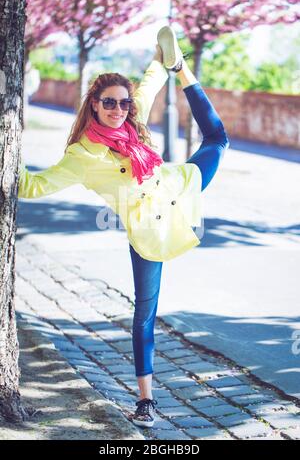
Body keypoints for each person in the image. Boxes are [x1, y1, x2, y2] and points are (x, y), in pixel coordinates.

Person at [18, 26, 229, 428]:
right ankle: (146, 399)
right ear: (93, 104)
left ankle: (183, 66)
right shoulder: (83, 155)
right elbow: (32, 185)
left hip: (178, 186)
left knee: (217, 137)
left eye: (123, 103)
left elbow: (149, 84)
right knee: (144, 313)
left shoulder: (134, 124)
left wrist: (165, 61)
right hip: (149, 232)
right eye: (109, 103)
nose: (118, 109)